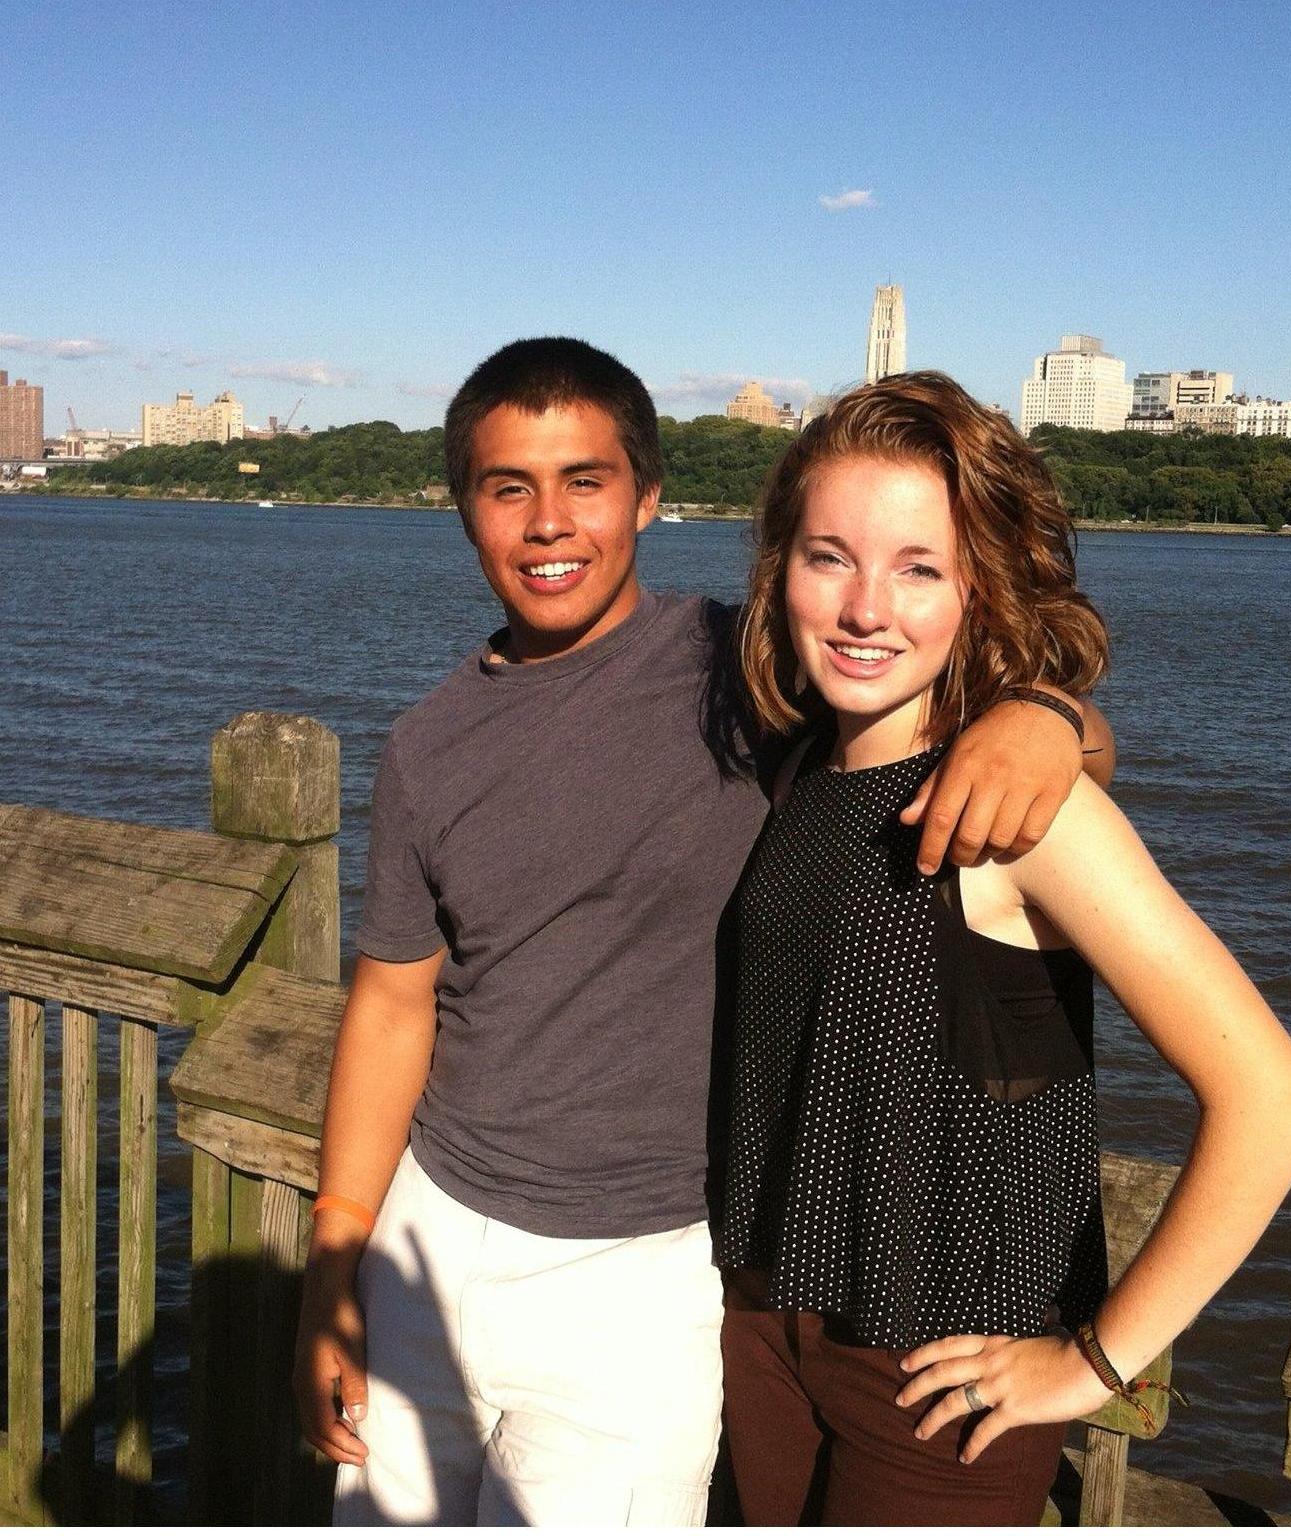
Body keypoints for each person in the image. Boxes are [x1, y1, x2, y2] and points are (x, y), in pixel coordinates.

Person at [291, 339, 1115, 1526]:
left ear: (649, 496)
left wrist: (1045, 714)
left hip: (648, 1267)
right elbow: (391, 1003)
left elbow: (967, 710)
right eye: (506, 486)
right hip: (433, 1227)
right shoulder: (427, 748)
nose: (547, 523)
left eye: (586, 480)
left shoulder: (751, 666)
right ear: (462, 508)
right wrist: (337, 1258)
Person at [717, 371, 1291, 1525]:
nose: (864, 609)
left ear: (979, 592)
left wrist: (1094, 1362)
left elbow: (1275, 1102)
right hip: (765, 1325)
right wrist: (1060, 714)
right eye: (828, 556)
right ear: (779, 570)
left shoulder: (1030, 814)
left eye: (918, 569)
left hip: (941, 1387)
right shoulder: (799, 771)